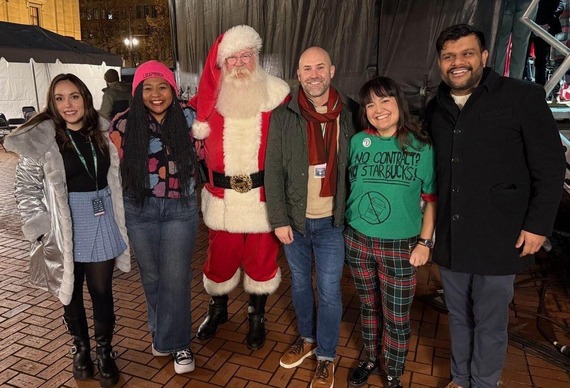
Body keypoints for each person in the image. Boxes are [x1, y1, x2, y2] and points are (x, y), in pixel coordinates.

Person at [426, 24, 566, 388]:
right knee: (458, 314)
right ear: (440, 63)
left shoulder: (521, 97)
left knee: (489, 320)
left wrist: (538, 225)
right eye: (448, 56)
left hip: (500, 236)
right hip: (453, 237)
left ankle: (485, 382)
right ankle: (461, 378)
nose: (457, 63)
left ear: (484, 57)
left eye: (466, 54)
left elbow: (550, 166)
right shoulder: (435, 108)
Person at [4, 73, 131, 387]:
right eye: (59, 98)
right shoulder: (44, 138)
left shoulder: (101, 132)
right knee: (69, 291)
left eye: (73, 96)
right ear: (52, 102)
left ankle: (104, 351)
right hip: (64, 225)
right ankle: (81, 349)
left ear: (85, 98)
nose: (67, 104)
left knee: (102, 291)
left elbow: (114, 178)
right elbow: (26, 189)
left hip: (101, 219)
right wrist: (40, 230)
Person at [188, 25, 290, 350]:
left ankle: (256, 315)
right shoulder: (208, 102)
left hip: (263, 199)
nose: (240, 63)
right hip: (223, 199)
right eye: (232, 58)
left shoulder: (278, 95)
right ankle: (217, 310)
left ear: (256, 57)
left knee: (262, 262)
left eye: (246, 55)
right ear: (222, 63)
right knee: (219, 260)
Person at [265, 46, 358, 388]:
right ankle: (307, 339)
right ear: (298, 73)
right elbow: (272, 171)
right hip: (296, 221)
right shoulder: (283, 115)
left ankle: (326, 357)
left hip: (333, 223)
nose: (314, 74)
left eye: (320, 67)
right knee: (301, 284)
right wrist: (279, 219)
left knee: (331, 291)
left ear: (332, 70)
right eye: (307, 68)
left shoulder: (351, 113)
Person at [345, 77, 437, 388]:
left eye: (385, 101)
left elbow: (431, 199)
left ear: (399, 103)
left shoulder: (420, 147)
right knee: (369, 307)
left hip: (401, 246)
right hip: (358, 241)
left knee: (397, 318)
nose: (378, 109)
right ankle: (370, 358)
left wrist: (424, 242)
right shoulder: (358, 143)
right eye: (370, 104)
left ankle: (394, 373)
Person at [109, 60, 199, 374]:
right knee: (152, 278)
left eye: (162, 86)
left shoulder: (190, 118)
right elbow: (110, 170)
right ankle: (162, 333)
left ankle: (178, 344)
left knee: (175, 278)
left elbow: (208, 152)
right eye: (147, 88)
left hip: (180, 209)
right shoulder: (122, 123)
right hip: (140, 209)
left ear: (173, 89)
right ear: (137, 93)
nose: (156, 94)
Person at [494, 0, 537, 79]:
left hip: (503, 3)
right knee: (520, 45)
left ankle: (495, 83)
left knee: (499, 44)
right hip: (528, 3)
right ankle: (515, 84)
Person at [527, 0, 564, 85]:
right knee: (522, 57)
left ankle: (540, 89)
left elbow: (560, 5)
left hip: (546, 26)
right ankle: (523, 86)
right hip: (528, 25)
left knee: (541, 61)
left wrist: (549, 22)